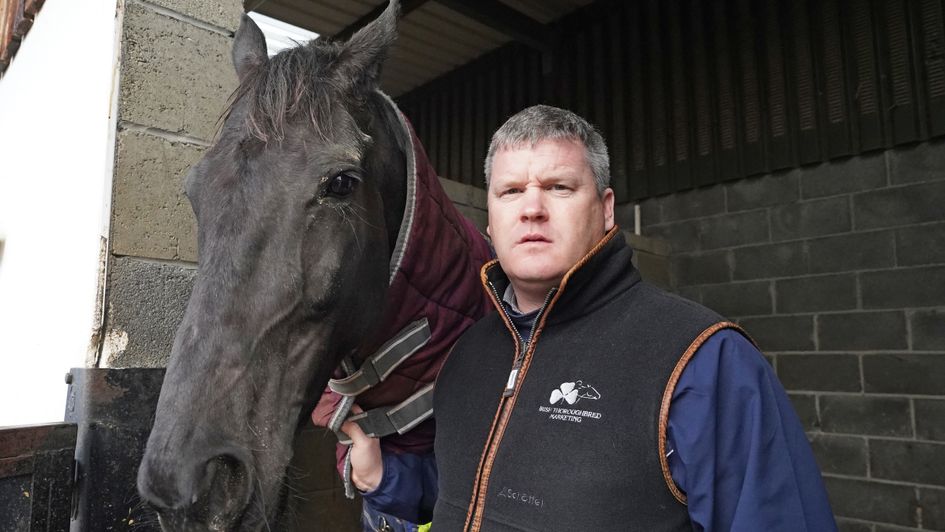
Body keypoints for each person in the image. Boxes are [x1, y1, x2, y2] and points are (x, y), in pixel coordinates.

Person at [336, 105, 837, 531]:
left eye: (558, 187)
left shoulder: (704, 359)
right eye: (510, 191)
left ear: (606, 209)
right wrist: (386, 479)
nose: (531, 208)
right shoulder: (468, 353)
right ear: (489, 219)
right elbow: (466, 492)